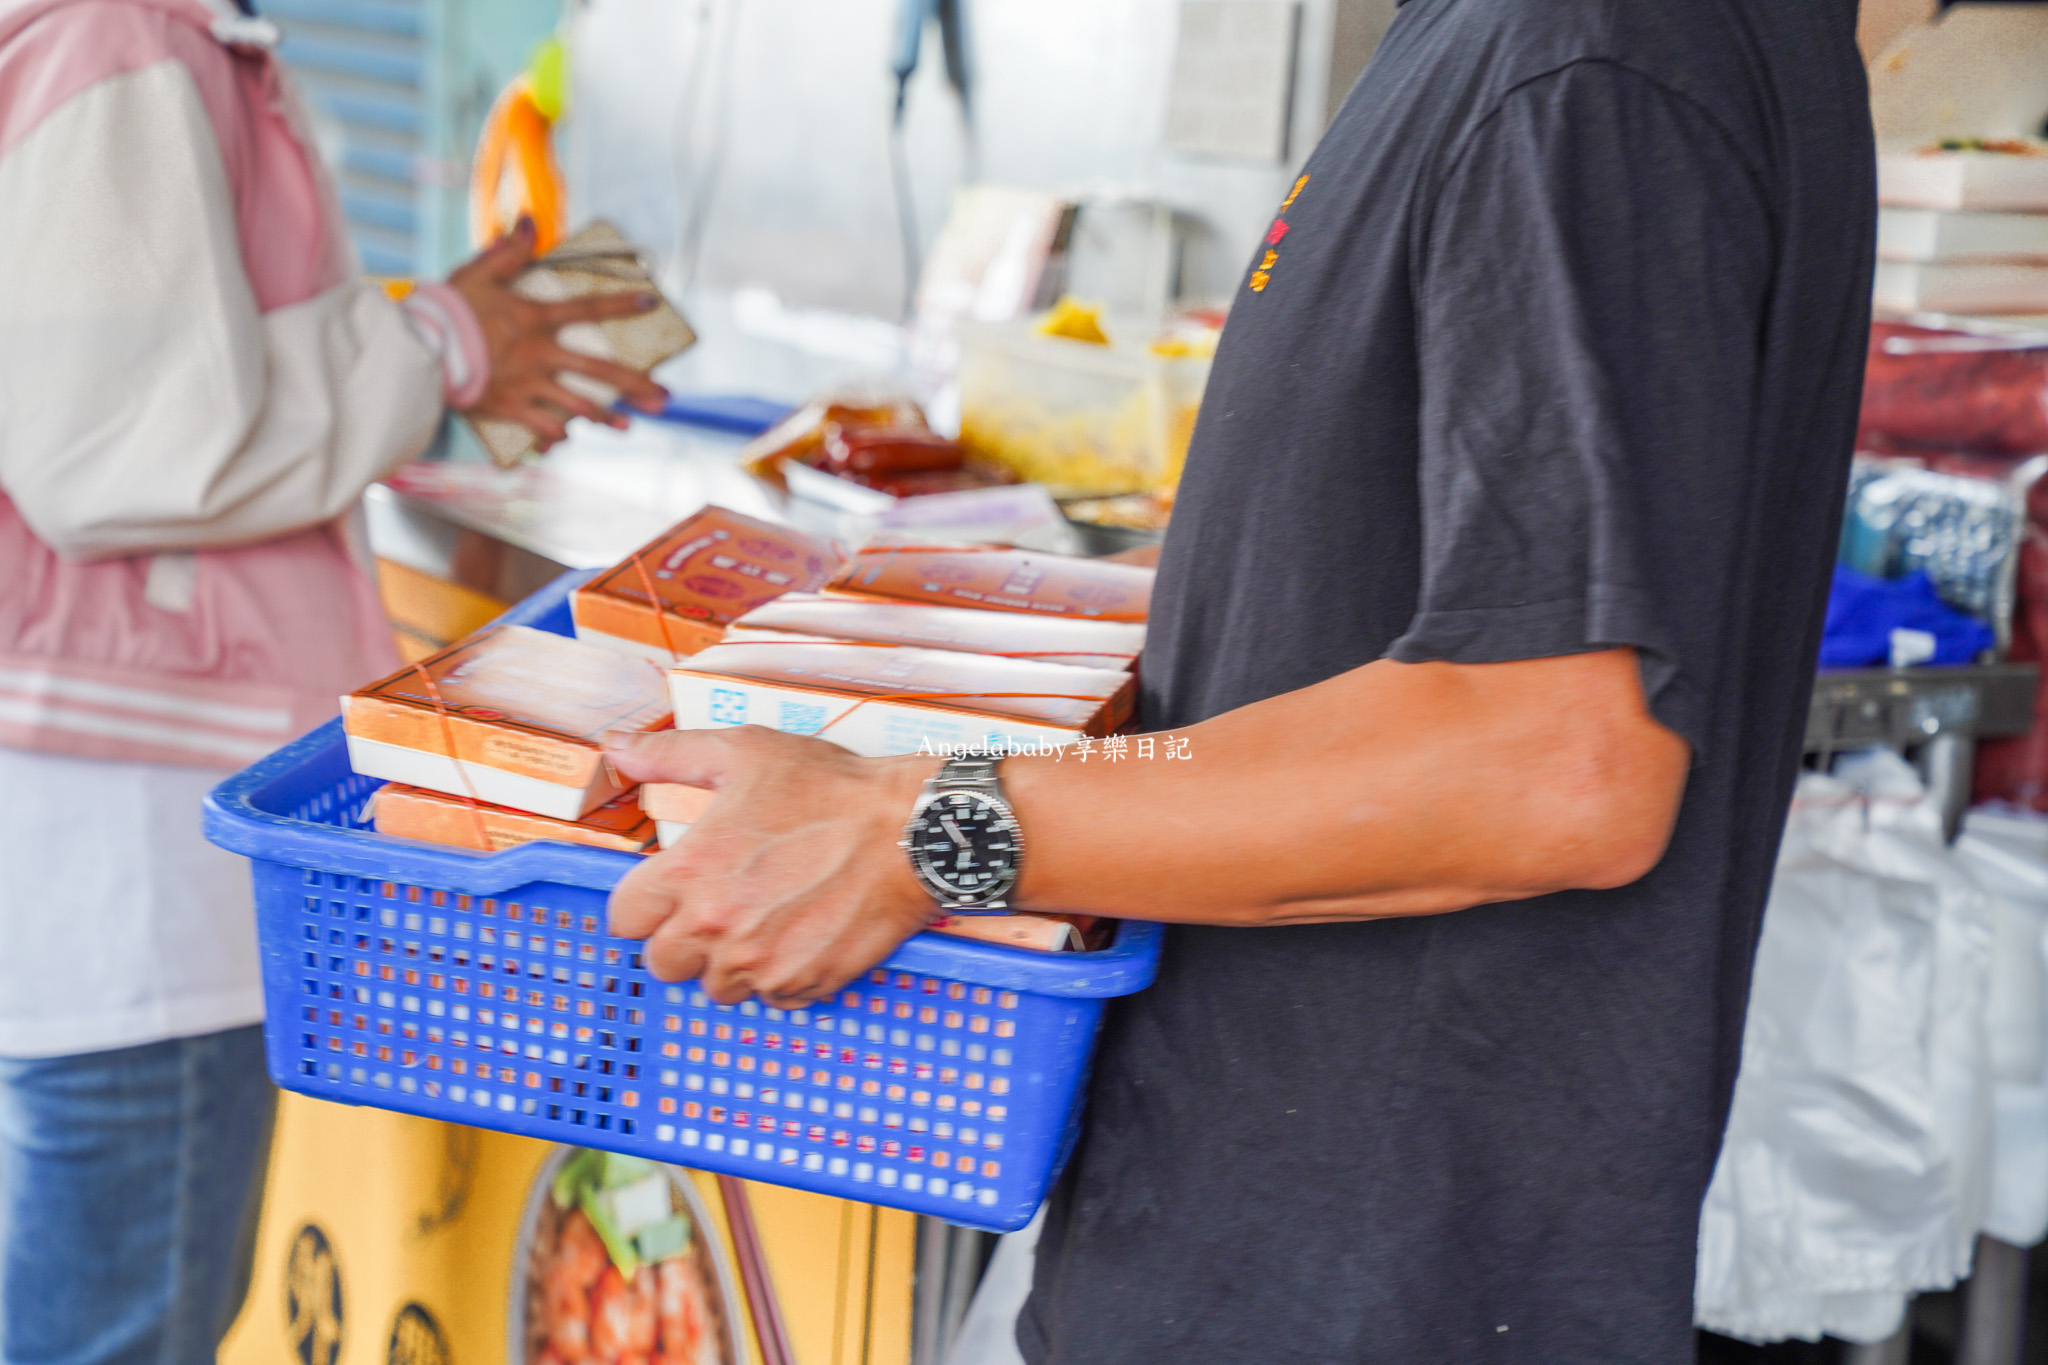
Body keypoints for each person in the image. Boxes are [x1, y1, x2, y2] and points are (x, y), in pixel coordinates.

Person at [602, 0, 1874, 1358]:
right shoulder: (1517, 44)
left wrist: (916, 825)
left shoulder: (1587, 57)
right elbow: (1365, 590)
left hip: (1365, 1288)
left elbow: (1552, 758)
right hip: (1259, 1235)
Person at [0, 0, 667, 1361]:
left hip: (100, 829)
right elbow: (120, 440)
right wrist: (434, 349)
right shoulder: (120, 36)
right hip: (129, 860)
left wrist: (431, 352)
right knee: (126, 1320)